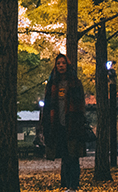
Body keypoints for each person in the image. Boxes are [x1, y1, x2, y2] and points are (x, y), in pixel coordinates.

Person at [41, 53, 87, 192]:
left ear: (67, 65)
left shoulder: (75, 83)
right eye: (58, 63)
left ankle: (74, 185)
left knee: (73, 156)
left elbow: (80, 106)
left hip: (72, 125)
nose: (61, 65)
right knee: (65, 156)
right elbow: (47, 106)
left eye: (63, 63)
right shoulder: (52, 85)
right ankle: (68, 185)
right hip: (58, 126)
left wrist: (79, 123)